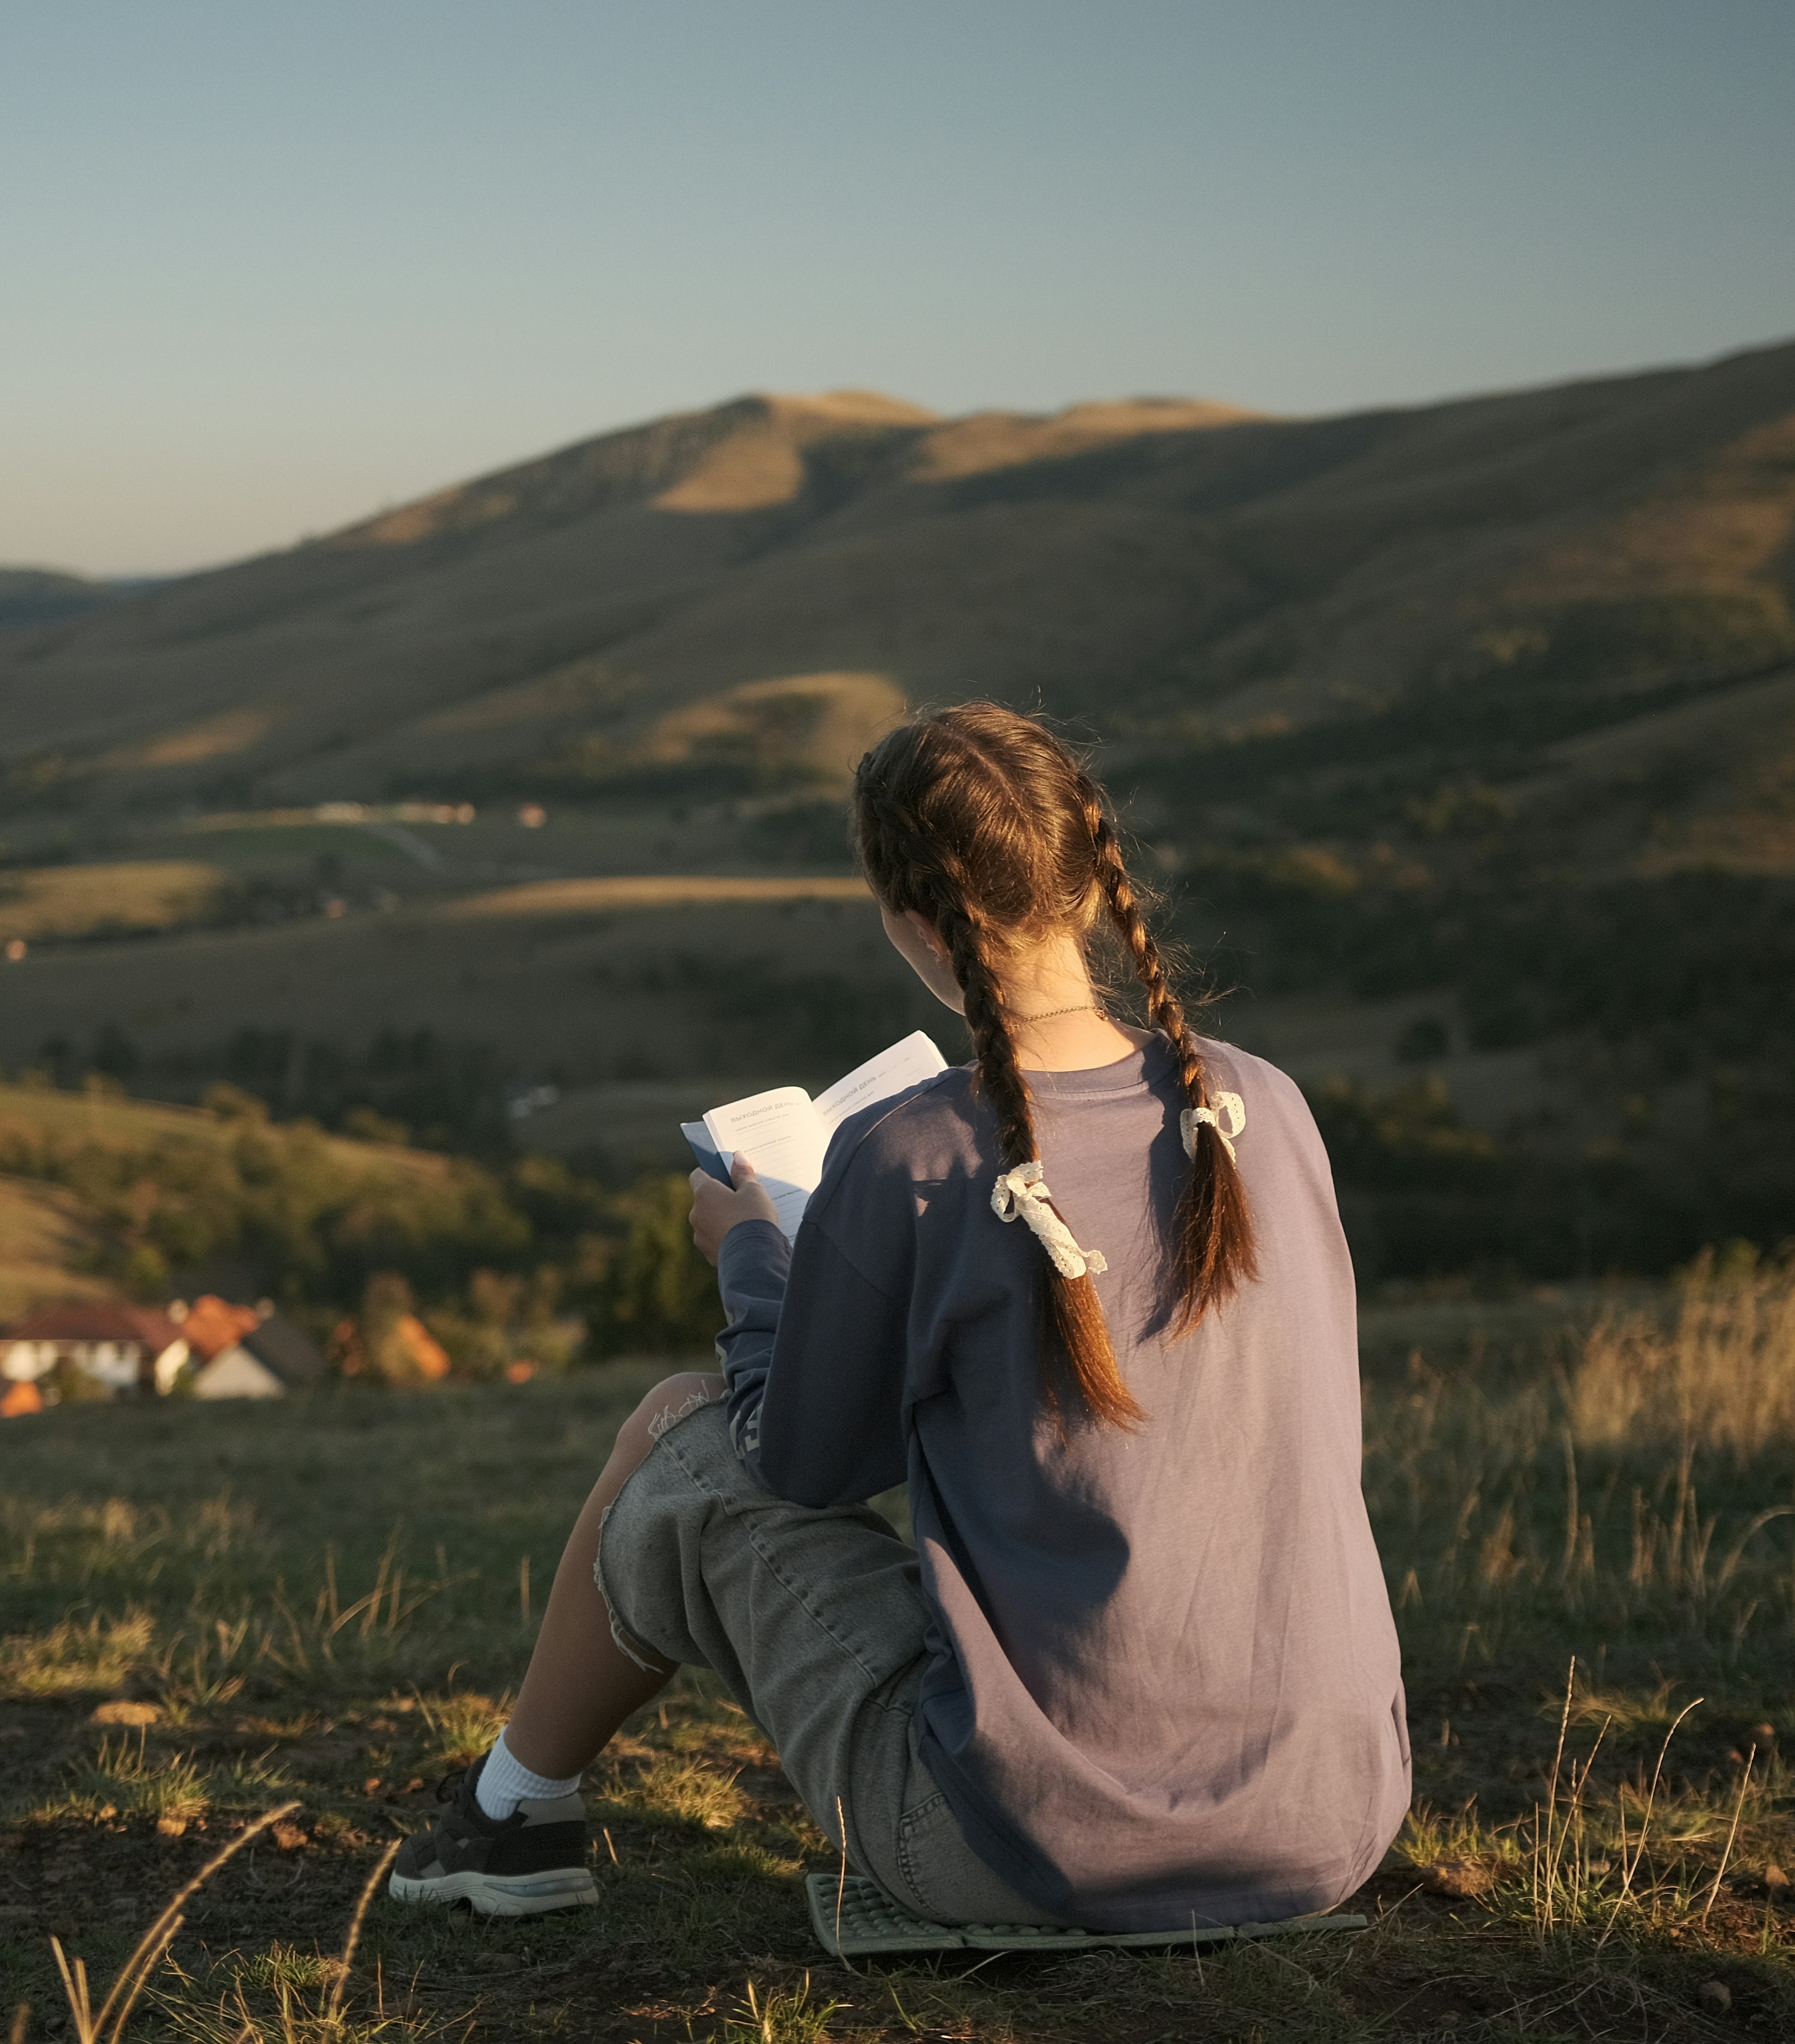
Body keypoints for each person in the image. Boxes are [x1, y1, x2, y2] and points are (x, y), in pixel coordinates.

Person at [389, 703, 1410, 1931]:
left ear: (915, 925)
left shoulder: (917, 1149)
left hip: (1040, 1852)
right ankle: (510, 1814)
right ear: (1091, 884)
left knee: (684, 1441)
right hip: (1327, 1827)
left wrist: (756, 1256)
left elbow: (804, 1465)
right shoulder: (1268, 1107)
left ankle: (509, 1816)